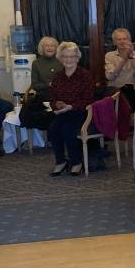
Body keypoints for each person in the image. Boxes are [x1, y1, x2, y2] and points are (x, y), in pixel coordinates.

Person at [46, 42, 95, 176]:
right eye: (65, 56)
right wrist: (57, 105)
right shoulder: (57, 77)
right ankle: (61, 161)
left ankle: (76, 162)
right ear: (60, 58)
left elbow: (88, 99)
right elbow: (52, 98)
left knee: (67, 129)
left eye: (72, 56)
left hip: (81, 112)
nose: (68, 59)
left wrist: (71, 106)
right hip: (63, 112)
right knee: (53, 129)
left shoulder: (84, 75)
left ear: (77, 58)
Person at [104, 28, 135, 105]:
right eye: (119, 39)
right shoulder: (109, 56)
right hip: (116, 90)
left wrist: (131, 57)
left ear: (129, 40)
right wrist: (124, 59)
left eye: (124, 39)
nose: (122, 41)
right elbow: (110, 77)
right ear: (114, 42)